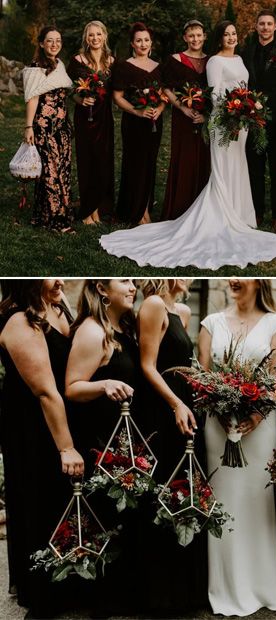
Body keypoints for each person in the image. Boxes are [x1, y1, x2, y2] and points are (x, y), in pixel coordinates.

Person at [99, 21, 276, 269]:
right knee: (217, 166)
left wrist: (245, 109)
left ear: (205, 37)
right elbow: (212, 94)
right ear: (187, 36)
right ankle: (212, 212)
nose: (231, 37)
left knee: (237, 165)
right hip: (217, 119)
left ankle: (239, 213)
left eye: (234, 34)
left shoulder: (237, 58)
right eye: (226, 34)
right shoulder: (209, 61)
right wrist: (203, 110)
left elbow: (241, 88)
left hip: (238, 120)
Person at [198, 278, 276, 616]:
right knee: (223, 501)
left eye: (240, 276)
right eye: (230, 277)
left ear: (258, 282)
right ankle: (225, 587)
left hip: (260, 426)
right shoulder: (211, 324)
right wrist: (218, 410)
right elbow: (204, 376)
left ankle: (263, 587)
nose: (233, 281)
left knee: (257, 501)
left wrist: (258, 413)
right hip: (218, 426)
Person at [0, 279, 84, 618]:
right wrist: (66, 448)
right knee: (39, 499)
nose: (61, 282)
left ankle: (72, 581)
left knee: (62, 498)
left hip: (61, 416)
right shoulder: (20, 321)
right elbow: (45, 391)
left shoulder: (58, 305)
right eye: (51, 276)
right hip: (31, 425)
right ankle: (44, 593)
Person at [65, 279, 143, 616]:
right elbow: (72, 387)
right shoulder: (92, 331)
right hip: (100, 440)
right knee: (105, 517)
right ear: (101, 289)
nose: (133, 286)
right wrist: (104, 383)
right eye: (124, 281)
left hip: (124, 438)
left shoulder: (121, 327)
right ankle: (100, 600)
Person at [136, 278, 208, 615]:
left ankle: (185, 589)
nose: (191, 276)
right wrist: (176, 404)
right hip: (165, 414)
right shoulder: (152, 305)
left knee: (186, 490)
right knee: (165, 489)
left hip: (188, 412)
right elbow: (148, 366)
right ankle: (161, 595)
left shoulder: (181, 311)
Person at [242, 9, 276, 230]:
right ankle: (256, 212)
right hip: (252, 121)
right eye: (261, 24)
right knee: (254, 170)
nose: (265, 27)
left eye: (269, 24)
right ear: (256, 27)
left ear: (275, 27)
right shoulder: (246, 53)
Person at [112, 22, 166, 225]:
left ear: (151, 43)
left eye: (146, 40)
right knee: (135, 164)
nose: (143, 44)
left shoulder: (159, 67)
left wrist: (158, 110)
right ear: (132, 44)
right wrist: (137, 111)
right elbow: (117, 97)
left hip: (153, 123)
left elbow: (164, 96)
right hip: (134, 123)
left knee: (150, 164)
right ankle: (136, 211)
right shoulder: (124, 66)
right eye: (138, 41)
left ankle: (146, 206)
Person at [23, 27, 74, 233]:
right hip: (45, 128)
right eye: (50, 41)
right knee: (51, 172)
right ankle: (57, 220)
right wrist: (28, 127)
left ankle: (43, 215)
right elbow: (32, 98)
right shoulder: (36, 67)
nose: (54, 44)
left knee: (62, 170)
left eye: (58, 40)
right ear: (42, 43)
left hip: (62, 128)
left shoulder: (59, 64)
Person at [161, 20, 211, 220]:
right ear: (185, 38)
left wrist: (206, 115)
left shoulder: (212, 61)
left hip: (204, 119)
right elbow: (165, 87)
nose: (195, 39)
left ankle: (201, 210)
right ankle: (180, 207)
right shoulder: (176, 59)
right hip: (183, 117)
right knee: (183, 158)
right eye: (191, 36)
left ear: (204, 36)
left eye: (199, 35)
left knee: (203, 159)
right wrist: (181, 107)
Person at [67, 21, 115, 225]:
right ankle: (88, 211)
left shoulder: (112, 61)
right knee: (87, 160)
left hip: (104, 117)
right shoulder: (77, 60)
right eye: (90, 35)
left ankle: (100, 207)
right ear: (86, 38)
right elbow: (67, 88)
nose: (95, 38)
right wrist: (80, 99)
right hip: (85, 117)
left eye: (98, 34)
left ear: (104, 36)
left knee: (103, 161)